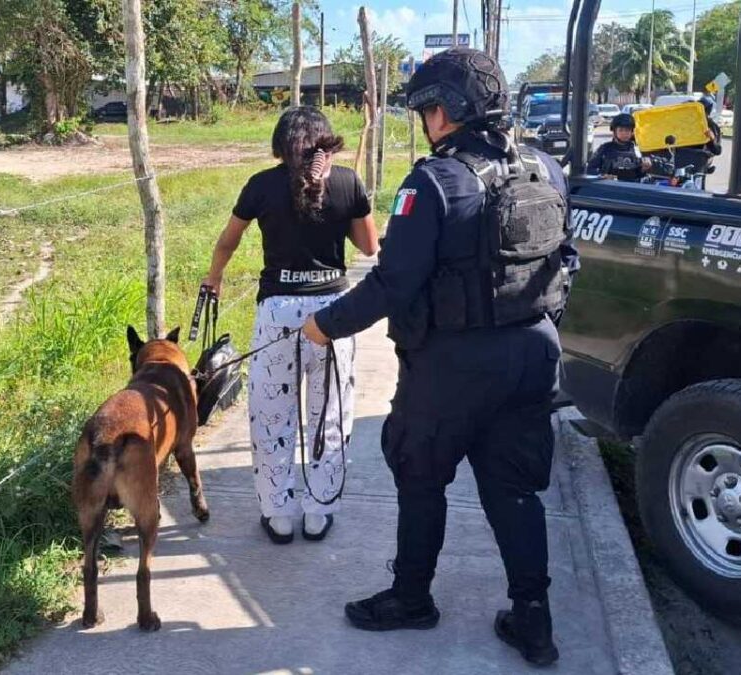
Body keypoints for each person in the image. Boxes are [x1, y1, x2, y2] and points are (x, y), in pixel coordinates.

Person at [302, 47, 578, 667]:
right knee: (514, 490)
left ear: (448, 110)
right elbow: (566, 262)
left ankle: (411, 598)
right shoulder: (544, 169)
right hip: (533, 355)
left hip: (451, 368)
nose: (425, 121)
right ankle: (533, 619)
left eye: (428, 108)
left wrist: (326, 325)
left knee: (420, 477)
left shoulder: (432, 181)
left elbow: (392, 283)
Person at [202, 106, 379, 544]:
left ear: (281, 146)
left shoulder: (261, 185)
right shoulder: (346, 182)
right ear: (326, 142)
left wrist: (215, 276)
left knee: (271, 416)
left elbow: (229, 239)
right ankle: (319, 511)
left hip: (278, 315)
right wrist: (353, 198)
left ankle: (278, 514)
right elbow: (369, 246)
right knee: (330, 414)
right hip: (333, 314)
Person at [587, 112, 654, 181]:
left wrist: (644, 168)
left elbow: (640, 175)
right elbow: (590, 170)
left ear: (632, 132)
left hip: (632, 188)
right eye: (621, 130)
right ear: (614, 132)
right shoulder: (605, 148)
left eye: (627, 130)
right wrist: (602, 176)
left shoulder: (637, 149)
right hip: (609, 188)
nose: (624, 133)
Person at [671, 94, 723, 175]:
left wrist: (711, 139)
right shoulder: (682, 124)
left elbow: (717, 150)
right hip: (678, 162)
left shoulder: (711, 126)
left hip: (698, 164)